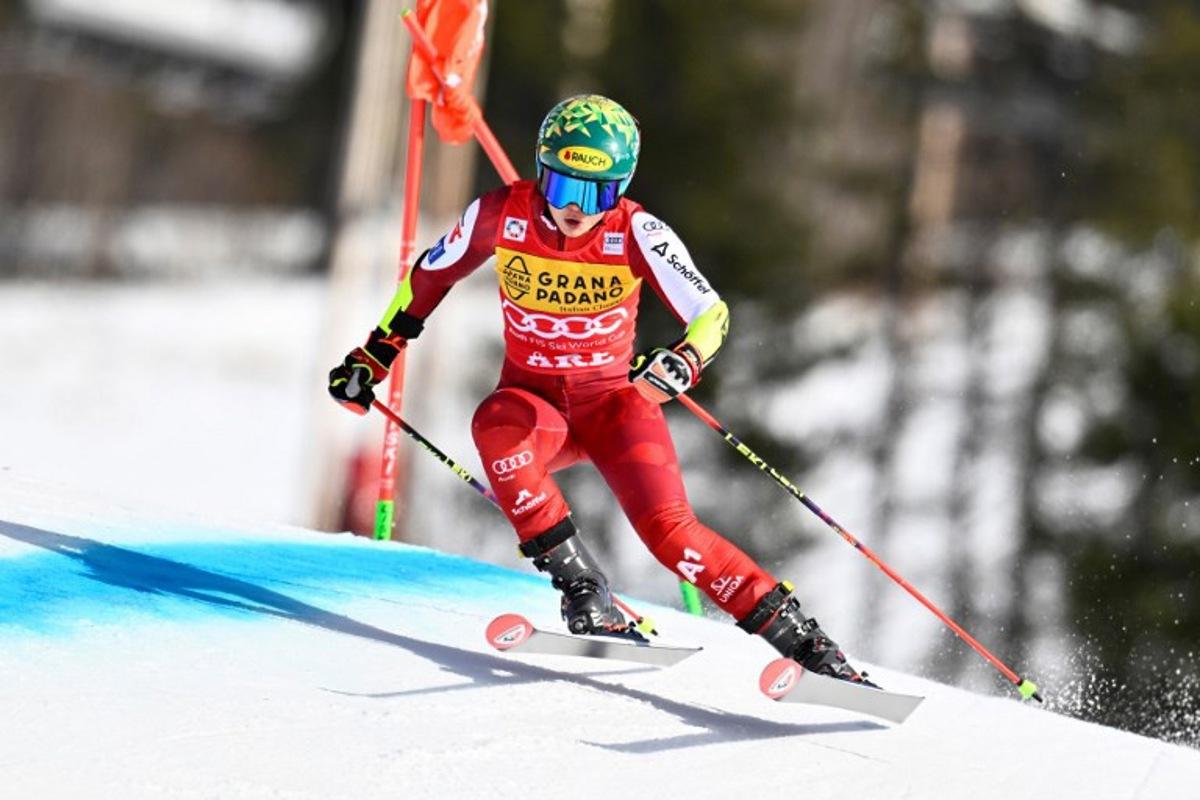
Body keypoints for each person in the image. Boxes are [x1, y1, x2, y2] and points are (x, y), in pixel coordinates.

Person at [329, 94, 871, 684]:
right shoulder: (498, 215)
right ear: (541, 171)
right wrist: (375, 353)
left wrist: (685, 359)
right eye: (564, 189)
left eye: (599, 193)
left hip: (615, 408)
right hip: (537, 409)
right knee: (495, 427)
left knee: (673, 538)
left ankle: (813, 652)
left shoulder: (639, 230)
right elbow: (429, 277)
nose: (577, 210)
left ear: (622, 188)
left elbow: (710, 313)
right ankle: (587, 594)